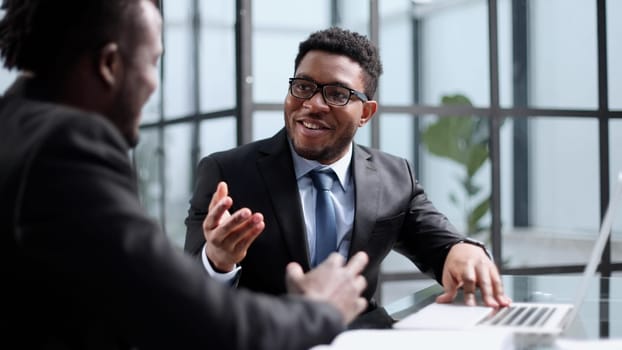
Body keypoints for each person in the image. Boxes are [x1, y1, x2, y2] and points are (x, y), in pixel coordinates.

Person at [0, 1, 371, 349]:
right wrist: (322, 310)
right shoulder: (67, 147)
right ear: (109, 64)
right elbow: (186, 313)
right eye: (152, 62)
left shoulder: (14, 126)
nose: (153, 84)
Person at [184, 26, 512, 325]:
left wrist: (464, 250)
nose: (313, 104)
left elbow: (442, 247)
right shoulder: (228, 173)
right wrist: (217, 262)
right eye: (303, 86)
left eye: (338, 94)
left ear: (366, 113)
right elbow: (187, 292)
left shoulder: (394, 177)